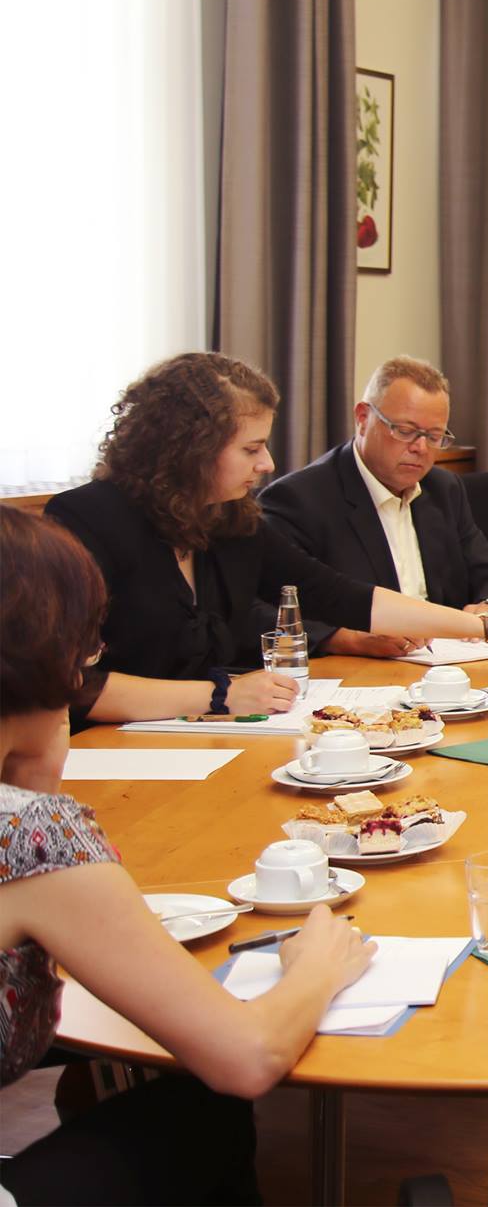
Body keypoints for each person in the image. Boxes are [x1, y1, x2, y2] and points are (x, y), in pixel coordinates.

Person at [0, 507, 376, 1203]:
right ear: (52, 659)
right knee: (205, 1109)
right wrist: (317, 968)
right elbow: (249, 1058)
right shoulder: (32, 835)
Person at [43, 353, 488, 726]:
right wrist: (220, 694)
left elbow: (340, 595)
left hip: (203, 737)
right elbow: (70, 686)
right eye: (251, 448)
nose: (267, 463)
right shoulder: (86, 521)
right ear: (189, 450)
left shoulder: (228, 520)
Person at [259, 356, 488, 658]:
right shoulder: (299, 499)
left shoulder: (443, 489)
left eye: (434, 436)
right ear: (363, 418)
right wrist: (346, 639)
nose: (420, 448)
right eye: (405, 431)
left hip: (447, 664)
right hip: (358, 670)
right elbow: (263, 611)